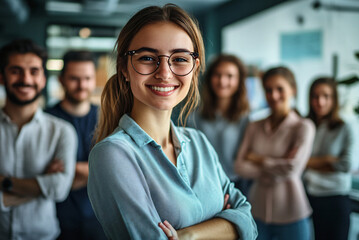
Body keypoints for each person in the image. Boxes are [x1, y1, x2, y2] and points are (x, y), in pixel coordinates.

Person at [87, 4, 257, 240]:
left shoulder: (198, 142)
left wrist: (187, 235)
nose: (165, 73)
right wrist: (223, 224)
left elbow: (248, 223)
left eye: (179, 59)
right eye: (147, 57)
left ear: (194, 68)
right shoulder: (113, 154)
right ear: (124, 68)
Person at [0, 39, 77, 240]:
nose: (26, 79)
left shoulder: (62, 131)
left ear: (42, 79)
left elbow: (59, 190)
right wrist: (41, 187)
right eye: (16, 71)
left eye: (34, 71)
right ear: (1, 77)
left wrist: (3, 182)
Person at [235, 66, 315, 240]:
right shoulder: (254, 126)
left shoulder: (303, 127)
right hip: (256, 210)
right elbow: (239, 166)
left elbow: (292, 168)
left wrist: (258, 159)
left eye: (280, 89)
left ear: (293, 90)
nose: (274, 95)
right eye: (268, 90)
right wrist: (277, 165)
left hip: (292, 212)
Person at [45, 50, 106, 240]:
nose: (82, 85)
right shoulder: (45, 120)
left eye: (87, 78)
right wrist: (95, 172)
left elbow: (114, 171)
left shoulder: (107, 119)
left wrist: (67, 171)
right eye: (74, 78)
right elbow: (43, 173)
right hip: (56, 221)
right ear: (61, 79)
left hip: (99, 221)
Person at [187, 54, 252, 196]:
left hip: (238, 184)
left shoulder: (247, 118)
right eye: (218, 75)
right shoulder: (194, 116)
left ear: (239, 81)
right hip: (203, 184)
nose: (223, 81)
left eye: (229, 76)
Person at [304, 77, 354, 240]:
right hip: (308, 195)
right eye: (315, 96)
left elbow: (345, 165)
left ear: (334, 100)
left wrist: (307, 162)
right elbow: (295, 162)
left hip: (335, 197)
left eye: (326, 96)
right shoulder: (304, 125)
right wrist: (327, 160)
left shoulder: (344, 128)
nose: (320, 101)